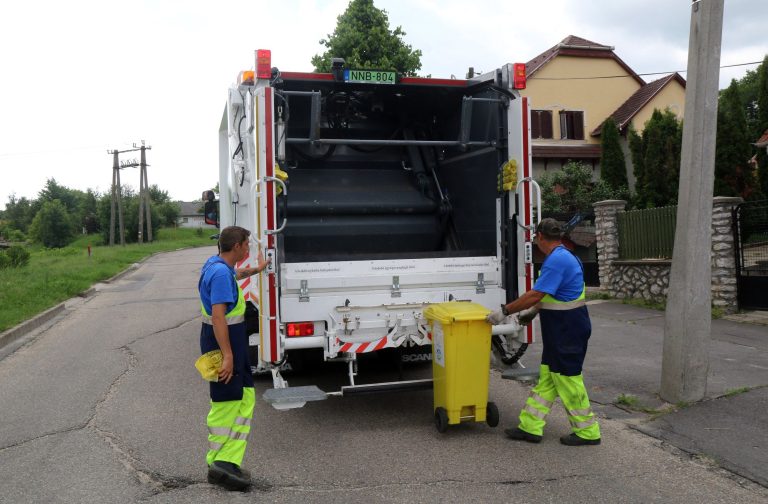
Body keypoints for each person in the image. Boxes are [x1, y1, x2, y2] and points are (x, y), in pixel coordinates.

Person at [487, 218, 601, 446]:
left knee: (568, 379)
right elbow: (552, 294)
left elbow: (535, 294)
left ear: (540, 237)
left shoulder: (557, 260)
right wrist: (533, 312)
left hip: (566, 329)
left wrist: (505, 311)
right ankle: (530, 427)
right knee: (548, 378)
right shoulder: (565, 255)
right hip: (563, 327)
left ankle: (588, 432)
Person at [198, 226, 270, 490]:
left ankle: (227, 459)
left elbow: (235, 274)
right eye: (247, 244)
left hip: (230, 345)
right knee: (226, 403)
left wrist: (257, 269)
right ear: (238, 245)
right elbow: (218, 317)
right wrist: (228, 356)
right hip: (224, 345)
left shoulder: (217, 266)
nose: (249, 248)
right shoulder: (218, 273)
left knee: (243, 397)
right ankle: (219, 463)